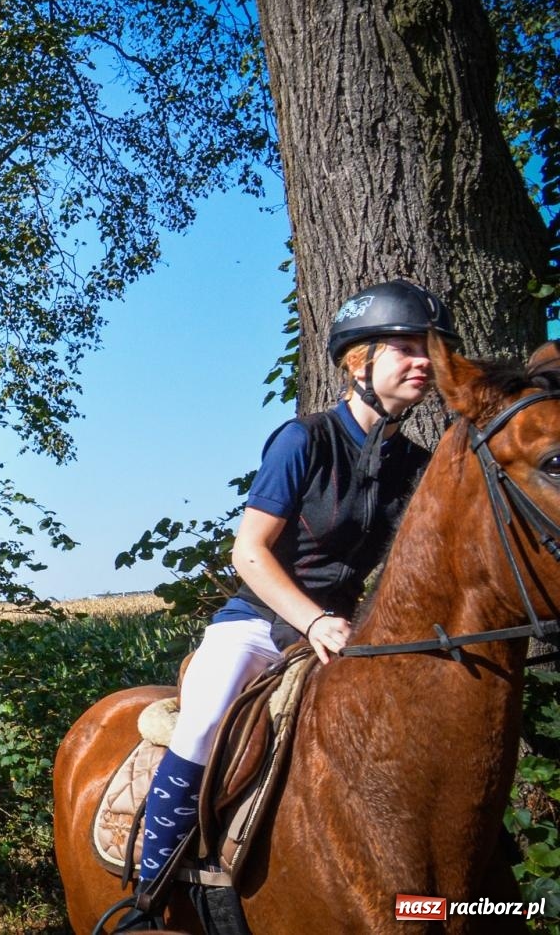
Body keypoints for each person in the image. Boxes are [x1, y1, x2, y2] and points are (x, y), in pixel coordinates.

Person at [133, 280, 456, 898]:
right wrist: (312, 621)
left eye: (430, 350)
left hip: (344, 635)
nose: (425, 361)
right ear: (360, 361)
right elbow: (248, 552)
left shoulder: (416, 464)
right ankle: (151, 890)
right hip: (258, 627)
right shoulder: (302, 440)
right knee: (202, 725)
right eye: (407, 347)